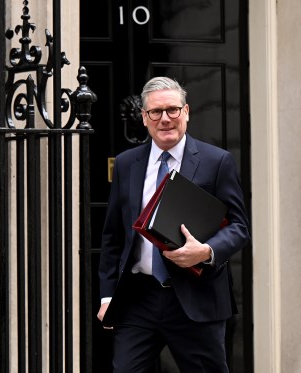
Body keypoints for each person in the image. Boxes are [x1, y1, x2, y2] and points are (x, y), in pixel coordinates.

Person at [97, 76, 250, 372]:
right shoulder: (127, 163)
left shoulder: (217, 161)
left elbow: (239, 227)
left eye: (172, 110)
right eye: (156, 112)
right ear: (144, 117)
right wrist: (107, 297)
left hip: (197, 297)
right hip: (137, 298)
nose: (165, 119)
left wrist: (205, 251)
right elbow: (113, 237)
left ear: (187, 112)